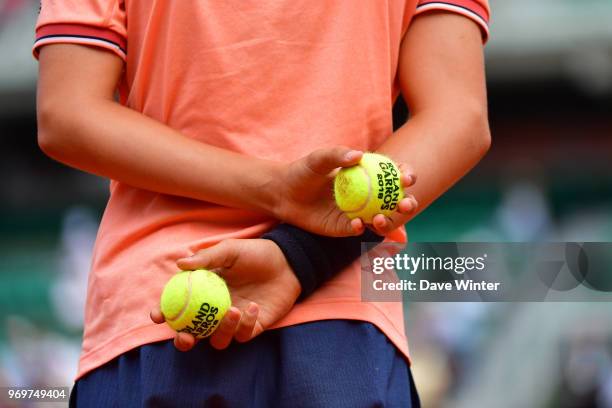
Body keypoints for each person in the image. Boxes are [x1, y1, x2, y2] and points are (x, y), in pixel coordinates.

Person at [34, 0, 491, 406]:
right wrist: (301, 254)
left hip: (162, 302)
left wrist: (280, 203)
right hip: (341, 313)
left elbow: (68, 112)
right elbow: (459, 119)